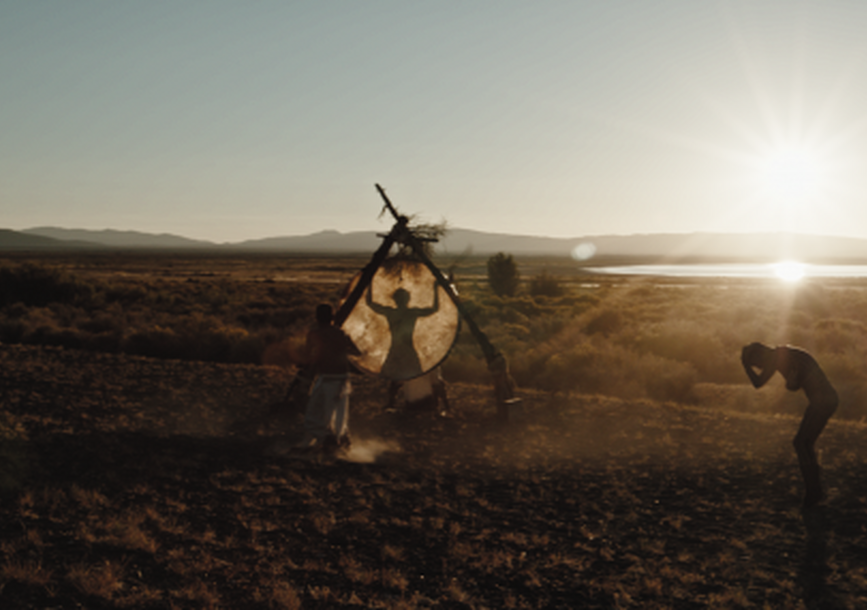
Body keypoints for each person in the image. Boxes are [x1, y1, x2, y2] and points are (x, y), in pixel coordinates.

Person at [741, 342, 838, 507]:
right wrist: (792, 383)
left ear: (760, 355)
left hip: (822, 400)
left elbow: (758, 383)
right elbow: (798, 381)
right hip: (825, 399)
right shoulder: (784, 354)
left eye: (757, 364)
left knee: (801, 443)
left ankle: (813, 492)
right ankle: (814, 490)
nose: (760, 367)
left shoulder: (776, 358)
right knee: (804, 443)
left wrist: (745, 365)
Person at [297, 303, 360, 454]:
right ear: (332, 318)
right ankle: (341, 440)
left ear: (317, 318)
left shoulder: (314, 334)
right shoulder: (340, 333)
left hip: (328, 378)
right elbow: (357, 352)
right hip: (341, 378)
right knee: (337, 413)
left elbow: (307, 356)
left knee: (315, 415)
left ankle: (329, 440)